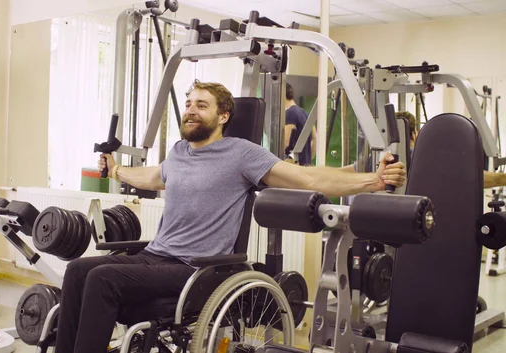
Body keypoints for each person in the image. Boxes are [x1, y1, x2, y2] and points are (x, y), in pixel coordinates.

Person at [55, 81, 406, 353]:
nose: (191, 110)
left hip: (195, 267)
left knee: (103, 278)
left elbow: (308, 178)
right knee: (78, 270)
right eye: (189, 103)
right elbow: (150, 176)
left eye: (201, 106)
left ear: (223, 117)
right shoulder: (179, 152)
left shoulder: (242, 154)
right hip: (155, 256)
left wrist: (374, 181)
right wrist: (116, 171)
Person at [398, 110, 506, 189]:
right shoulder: (419, 159)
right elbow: (468, 178)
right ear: (413, 134)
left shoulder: (388, 160)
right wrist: (502, 178)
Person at [285, 83, 316, 165]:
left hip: (294, 167)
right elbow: (315, 138)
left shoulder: (289, 113)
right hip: (305, 166)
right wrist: (308, 158)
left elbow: (286, 142)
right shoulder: (305, 113)